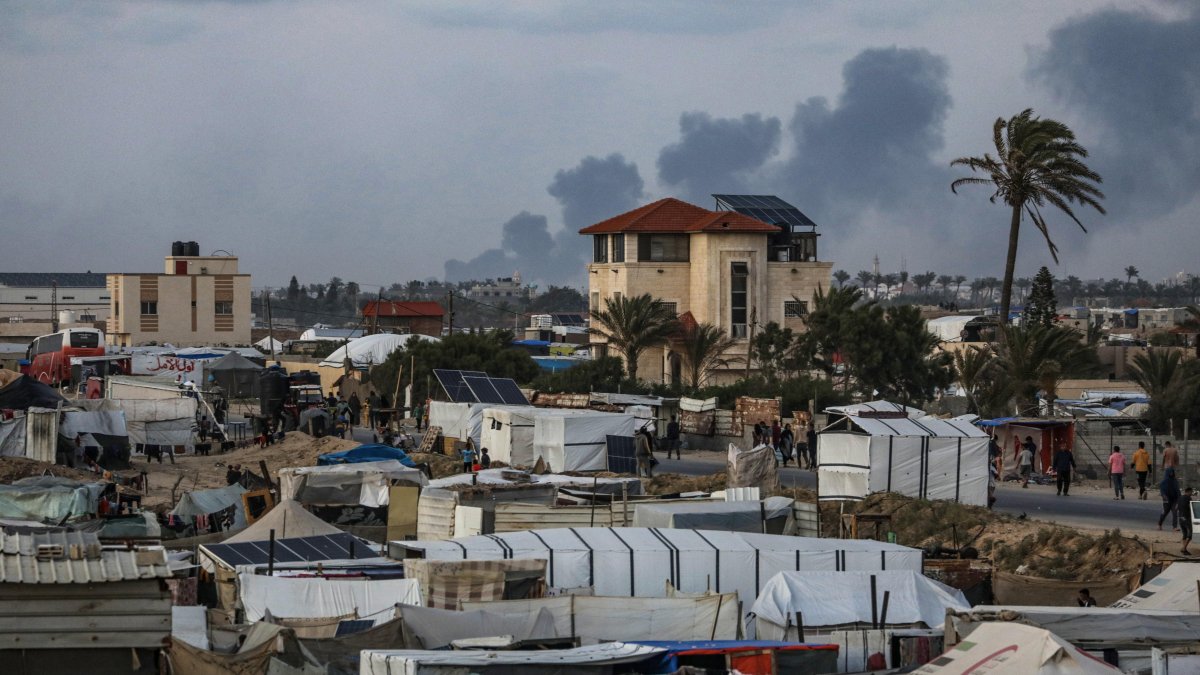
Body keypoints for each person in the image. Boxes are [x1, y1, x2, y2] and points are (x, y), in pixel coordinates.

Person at [1159, 467, 1181, 531]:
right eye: (1170, 472)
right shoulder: (1163, 482)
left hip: (1174, 499)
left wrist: (1179, 500)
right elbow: (1162, 491)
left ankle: (1174, 527)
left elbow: (1178, 491)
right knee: (1165, 512)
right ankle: (1160, 524)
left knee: (1175, 512)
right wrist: (1164, 496)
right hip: (1167, 500)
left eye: (1172, 472)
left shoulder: (1175, 481)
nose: (1171, 473)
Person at [1182, 486, 1195, 555]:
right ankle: (1184, 548)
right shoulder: (1188, 498)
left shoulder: (1180, 498)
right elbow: (1192, 507)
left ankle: (1184, 549)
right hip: (1186, 518)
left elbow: (1176, 507)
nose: (1192, 493)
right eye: (1191, 492)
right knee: (1190, 533)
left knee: (1184, 534)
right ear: (1189, 491)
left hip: (1180, 518)